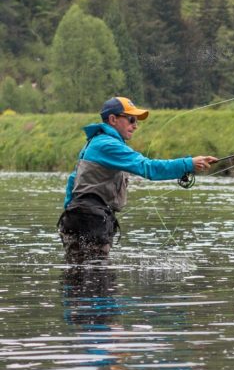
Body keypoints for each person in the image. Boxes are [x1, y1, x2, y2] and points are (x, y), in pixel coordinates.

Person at [58, 96, 217, 263]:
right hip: (91, 220)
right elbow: (148, 168)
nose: (135, 125)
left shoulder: (94, 143)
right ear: (113, 119)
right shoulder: (108, 145)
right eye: (131, 119)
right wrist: (188, 164)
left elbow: (72, 181)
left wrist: (69, 214)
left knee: (77, 274)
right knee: (98, 278)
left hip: (75, 218)